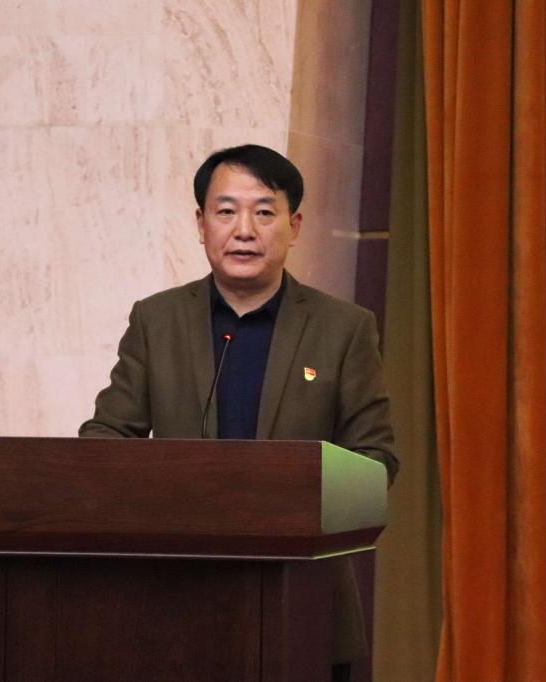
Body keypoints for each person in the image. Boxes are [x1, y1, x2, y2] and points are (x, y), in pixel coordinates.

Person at [79, 144, 398, 674]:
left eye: (264, 212)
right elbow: (106, 437)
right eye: (226, 211)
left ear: (294, 227)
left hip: (304, 599)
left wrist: (291, 497)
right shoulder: (156, 321)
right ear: (201, 224)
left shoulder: (344, 328)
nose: (244, 230)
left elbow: (376, 460)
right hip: (173, 600)